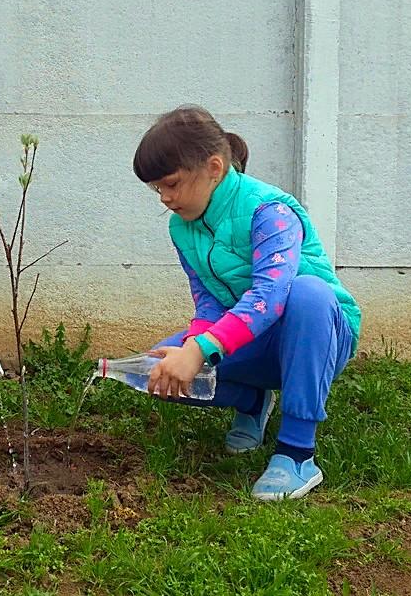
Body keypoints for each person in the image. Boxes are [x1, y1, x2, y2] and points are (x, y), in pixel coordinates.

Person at [133, 106, 361, 500]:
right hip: (249, 337)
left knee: (308, 293)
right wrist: (193, 347)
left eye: (172, 184)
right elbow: (207, 301)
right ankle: (252, 400)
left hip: (318, 334)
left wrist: (201, 349)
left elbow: (270, 297)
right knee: (151, 371)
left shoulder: (269, 211)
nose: (166, 199)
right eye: (157, 190)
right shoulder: (181, 227)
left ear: (215, 167)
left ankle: (297, 452)